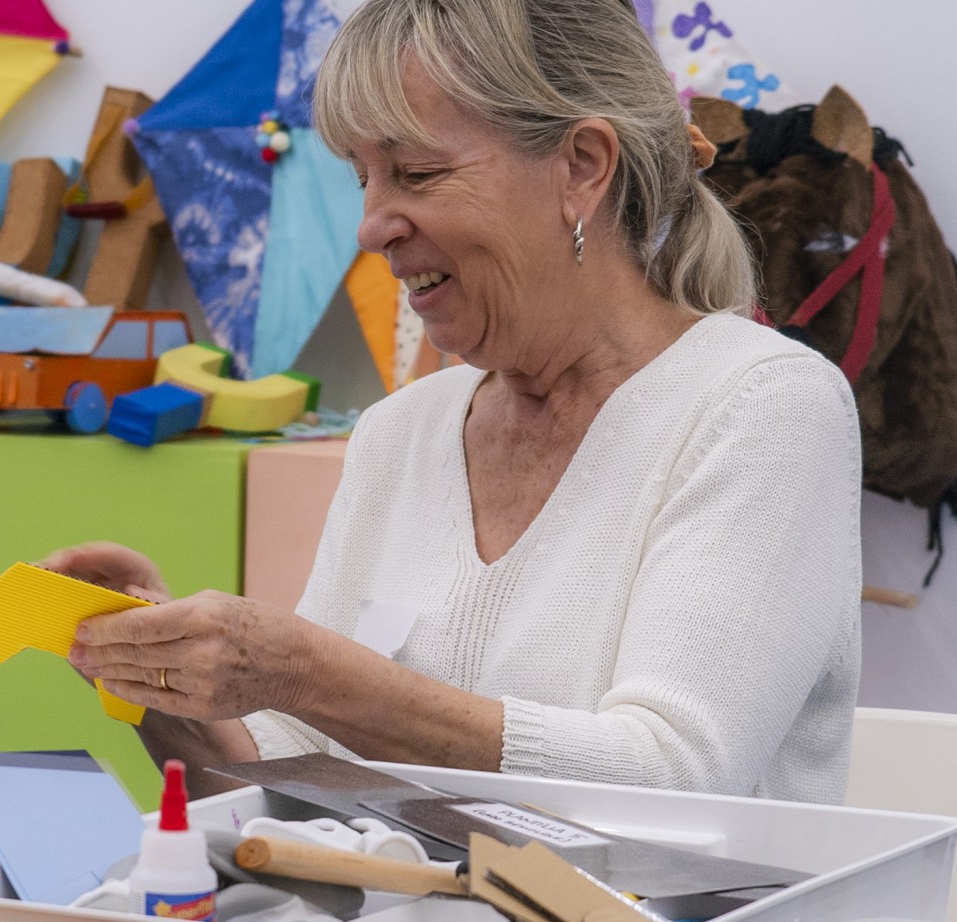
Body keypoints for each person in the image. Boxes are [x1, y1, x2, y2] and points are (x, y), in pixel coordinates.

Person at [48, 0, 861, 804]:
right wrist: (154, 671)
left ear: (581, 166)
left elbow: (674, 777)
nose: (370, 226)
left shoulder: (763, 408)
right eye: (362, 178)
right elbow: (298, 776)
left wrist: (306, 671)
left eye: (417, 174)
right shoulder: (402, 432)